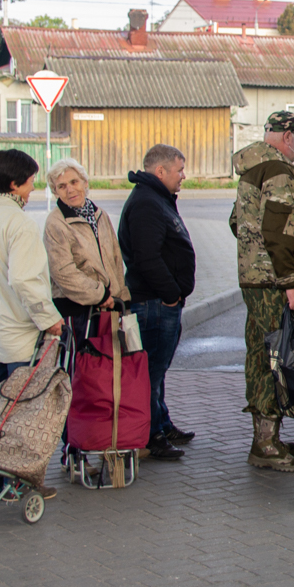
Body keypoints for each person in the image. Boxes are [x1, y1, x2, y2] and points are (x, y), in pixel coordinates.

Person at [0, 150, 63, 498]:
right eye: (30, 181)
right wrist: (49, 320)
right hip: (19, 336)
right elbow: (26, 281)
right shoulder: (19, 224)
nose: (32, 188)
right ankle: (17, 481)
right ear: (14, 184)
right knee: (20, 411)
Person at [230, 111, 294, 472]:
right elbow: (278, 232)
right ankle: (265, 444)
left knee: (261, 353)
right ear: (287, 136)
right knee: (273, 358)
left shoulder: (253, 168)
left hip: (256, 278)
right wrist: (292, 284)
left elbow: (238, 222)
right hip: (273, 283)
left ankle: (267, 437)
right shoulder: (280, 172)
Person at [118, 144, 197, 461]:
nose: (183, 176)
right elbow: (146, 258)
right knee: (148, 374)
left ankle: (161, 423)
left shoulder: (155, 198)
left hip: (160, 302)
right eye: (179, 170)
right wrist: (170, 294)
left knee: (157, 371)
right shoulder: (147, 203)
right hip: (153, 305)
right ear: (160, 171)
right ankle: (151, 436)